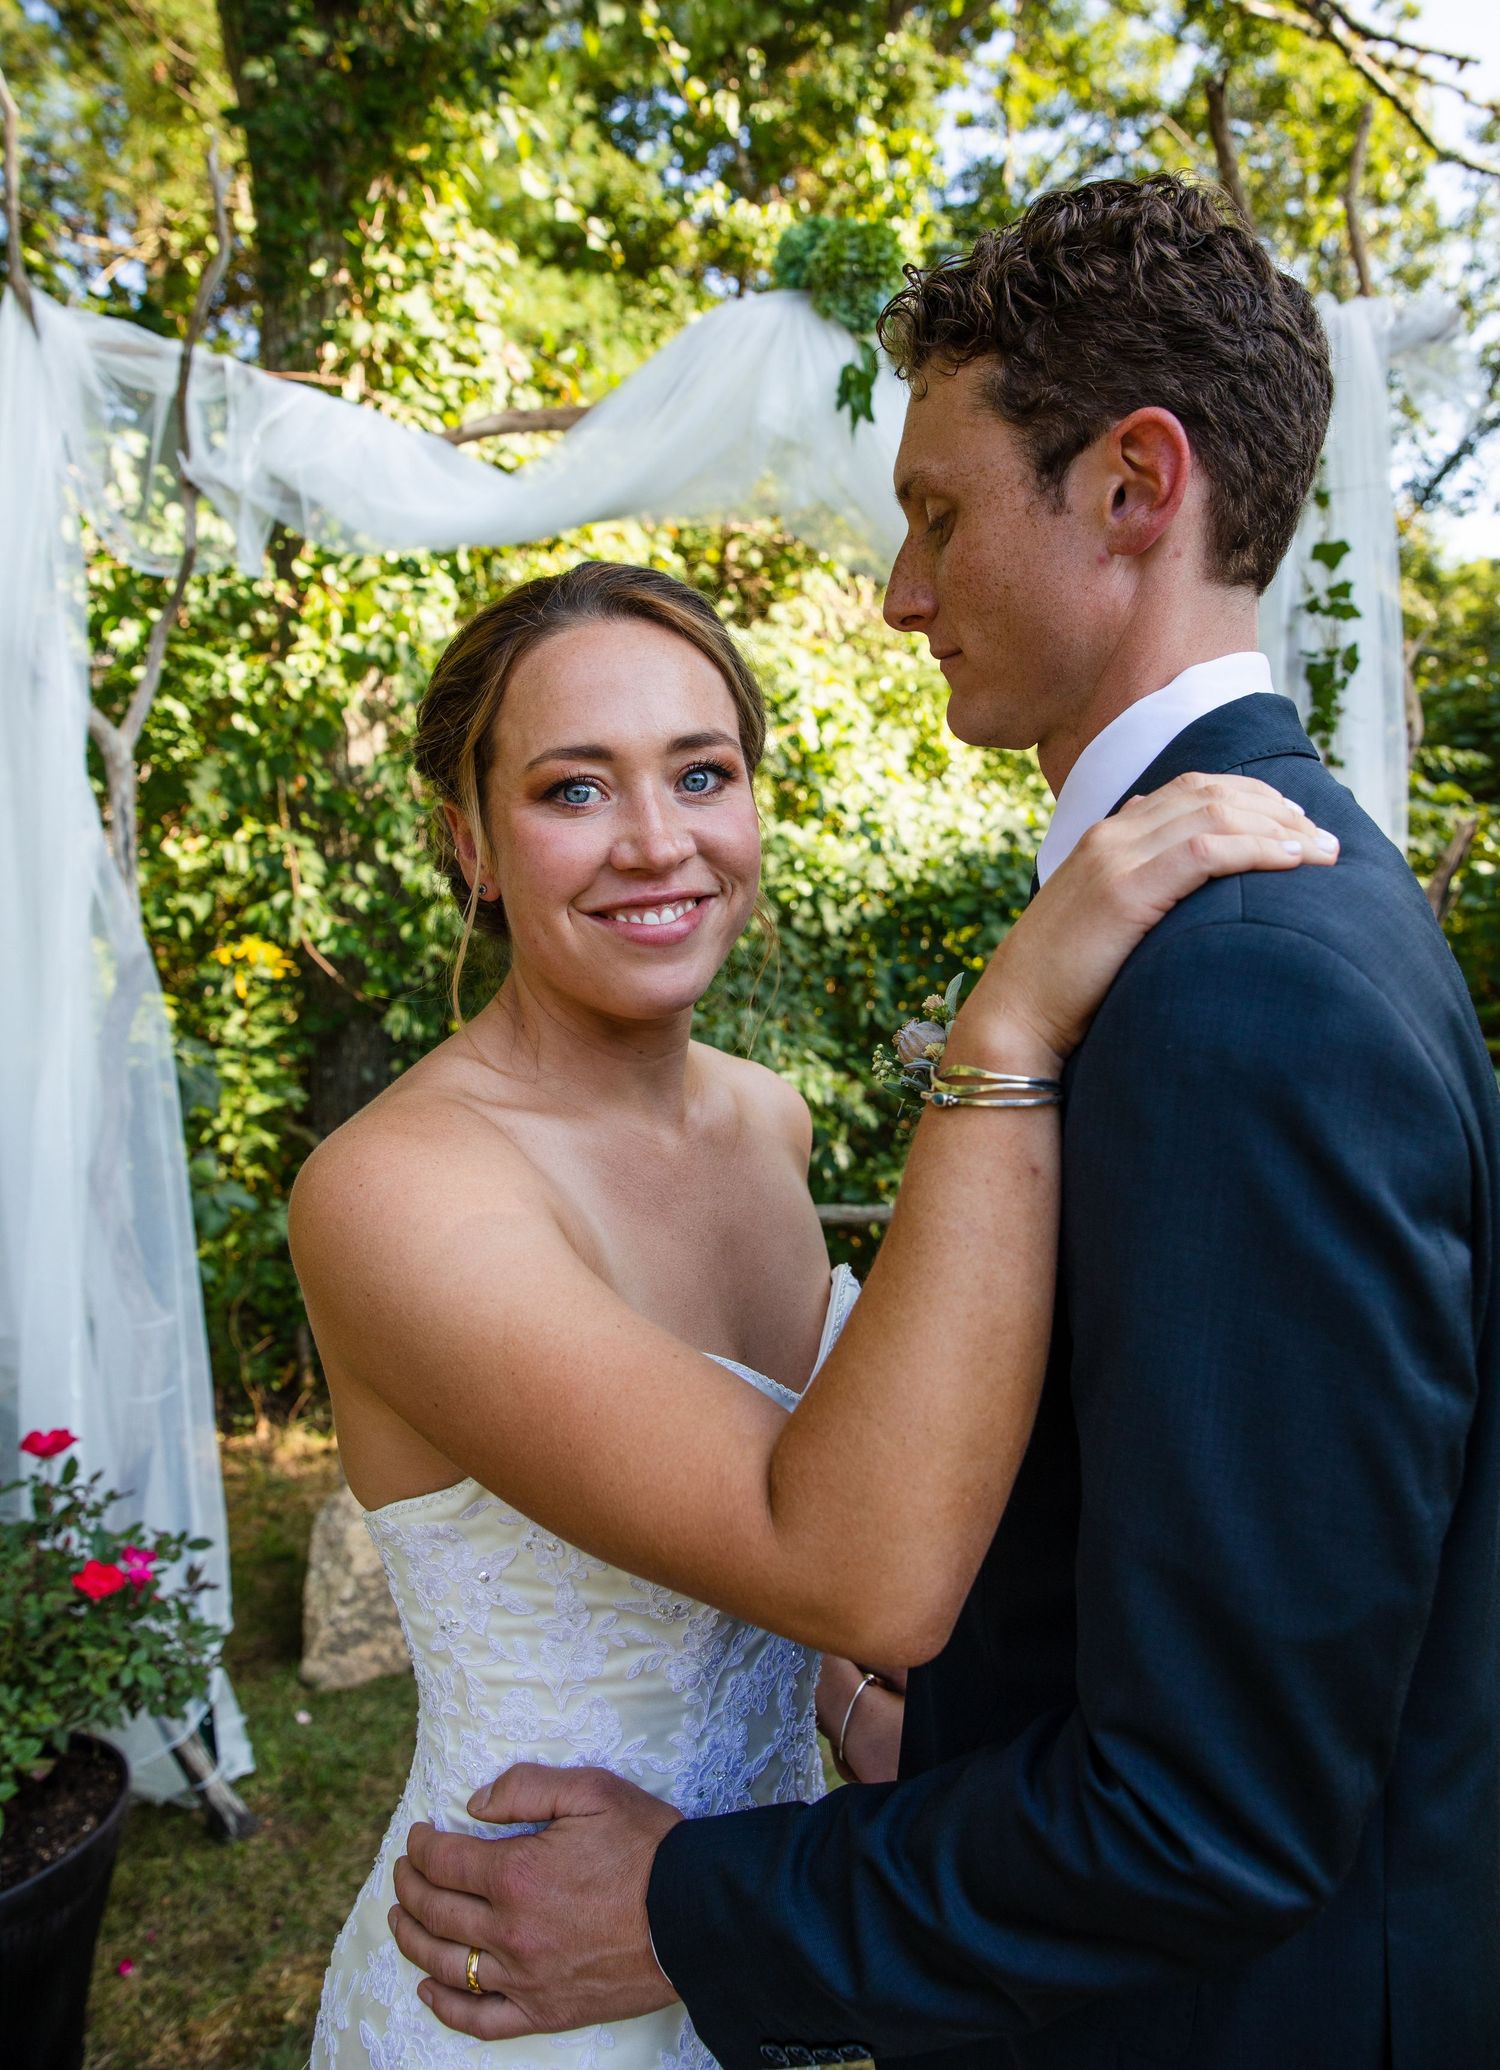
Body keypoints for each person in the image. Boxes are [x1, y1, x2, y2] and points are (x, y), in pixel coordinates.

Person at [391, 179, 1500, 2068]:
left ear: (1137, 488)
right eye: (574, 787)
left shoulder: (1244, 982)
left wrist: (689, 1905)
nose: (903, 593)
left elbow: (1217, 1803)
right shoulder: (1217, 919)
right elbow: (1166, 1538)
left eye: (938, 514)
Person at [290, 550, 1328, 2068]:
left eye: (700, 773)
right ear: (473, 845)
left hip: (744, 1936)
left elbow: (787, 1556)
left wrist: (844, 1710)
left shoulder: (764, 1122)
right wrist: (1013, 1016)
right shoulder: (393, 1192)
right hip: (514, 1978)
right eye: (573, 790)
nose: (657, 843)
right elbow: (848, 1560)